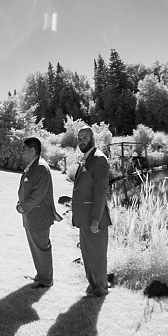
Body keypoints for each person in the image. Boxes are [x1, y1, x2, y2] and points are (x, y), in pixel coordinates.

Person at [70, 126, 112, 297]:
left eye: (85, 137)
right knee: (87, 254)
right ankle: (92, 285)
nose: (81, 141)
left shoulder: (99, 159)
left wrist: (95, 219)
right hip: (84, 218)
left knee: (97, 255)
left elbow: (101, 192)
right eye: (79, 138)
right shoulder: (86, 158)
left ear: (93, 138)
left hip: (95, 219)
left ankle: (101, 288)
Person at [17, 137, 62, 288]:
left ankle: (46, 280)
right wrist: (21, 203)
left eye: (24, 149)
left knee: (42, 247)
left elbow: (38, 194)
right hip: (32, 215)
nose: (22, 152)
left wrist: (24, 207)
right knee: (36, 247)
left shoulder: (41, 167)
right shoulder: (33, 165)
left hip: (38, 215)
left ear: (32, 150)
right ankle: (41, 274)